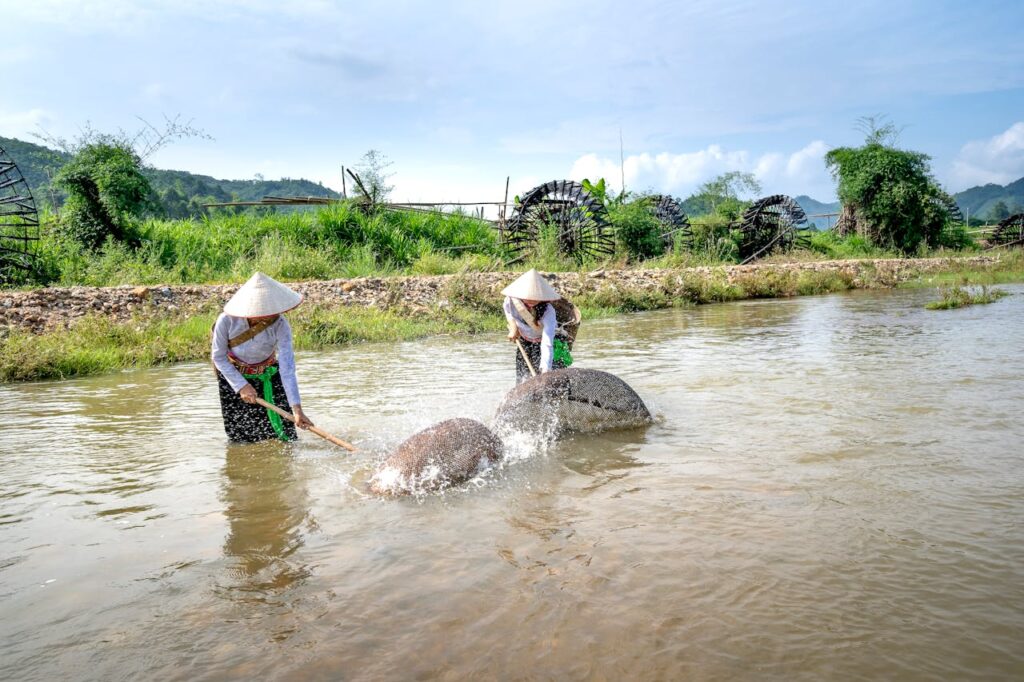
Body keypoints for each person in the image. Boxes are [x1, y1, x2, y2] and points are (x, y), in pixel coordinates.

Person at [211, 272, 313, 443]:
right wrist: (241, 386)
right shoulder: (226, 321)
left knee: (286, 436)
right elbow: (219, 357)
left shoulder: (281, 325)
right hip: (234, 376)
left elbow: (287, 368)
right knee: (241, 436)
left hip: (268, 374)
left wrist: (297, 409)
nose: (269, 314)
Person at [501, 269, 576, 384]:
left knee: (553, 382)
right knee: (523, 379)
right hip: (525, 341)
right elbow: (509, 314)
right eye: (528, 296)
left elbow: (547, 343)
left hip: (548, 343)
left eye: (535, 297)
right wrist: (513, 328)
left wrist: (546, 371)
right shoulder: (510, 302)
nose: (531, 300)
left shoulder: (548, 311)